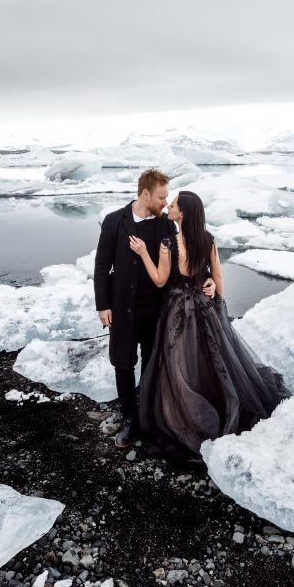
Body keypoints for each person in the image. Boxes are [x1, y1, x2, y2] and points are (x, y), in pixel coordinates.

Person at [129, 190, 287, 462]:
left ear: (183, 214)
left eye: (175, 204)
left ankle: (185, 415)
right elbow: (217, 275)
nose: (170, 206)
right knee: (211, 358)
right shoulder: (208, 240)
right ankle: (213, 402)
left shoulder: (168, 243)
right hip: (204, 306)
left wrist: (144, 253)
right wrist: (219, 306)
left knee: (179, 362)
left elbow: (158, 280)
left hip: (178, 308)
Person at [93, 169, 215, 450]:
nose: (165, 201)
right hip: (122, 309)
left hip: (156, 310)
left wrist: (206, 276)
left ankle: (148, 417)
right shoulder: (114, 222)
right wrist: (103, 305)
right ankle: (129, 420)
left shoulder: (164, 224)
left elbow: (182, 256)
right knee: (123, 364)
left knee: (151, 364)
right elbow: (102, 267)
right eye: (161, 197)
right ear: (145, 193)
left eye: (167, 197)